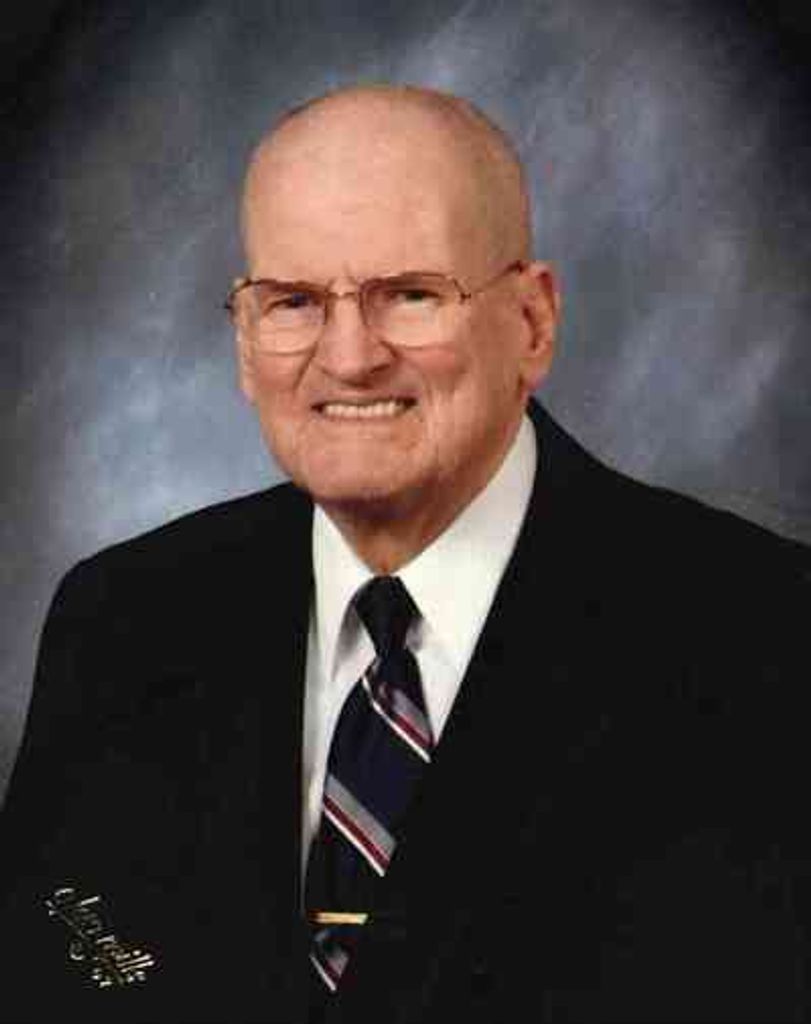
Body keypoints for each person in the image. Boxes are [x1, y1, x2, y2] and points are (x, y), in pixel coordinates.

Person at [0, 83, 808, 1024]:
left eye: (410, 295)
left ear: (532, 322)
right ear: (244, 339)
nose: (349, 357)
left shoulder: (765, 636)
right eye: (293, 302)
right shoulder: (122, 622)